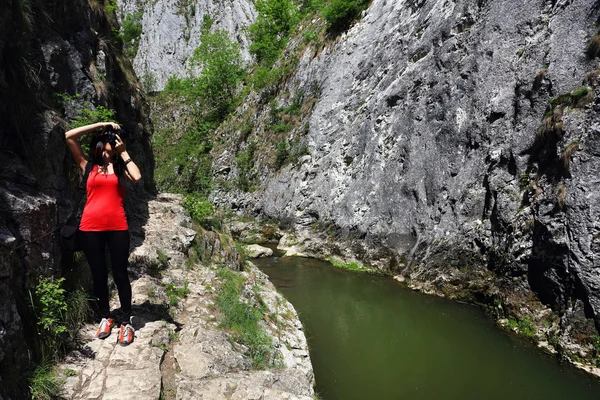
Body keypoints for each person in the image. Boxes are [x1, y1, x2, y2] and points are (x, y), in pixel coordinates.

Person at [65, 121, 141, 346]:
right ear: (104, 142)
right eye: (114, 138)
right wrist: (103, 123)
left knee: (120, 274)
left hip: (118, 227)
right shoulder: (88, 166)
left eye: (119, 138)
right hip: (89, 228)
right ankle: (105, 317)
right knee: (98, 275)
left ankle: (126, 322)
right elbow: (69, 136)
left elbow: (136, 176)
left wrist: (124, 152)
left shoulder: (121, 167)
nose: (117, 140)